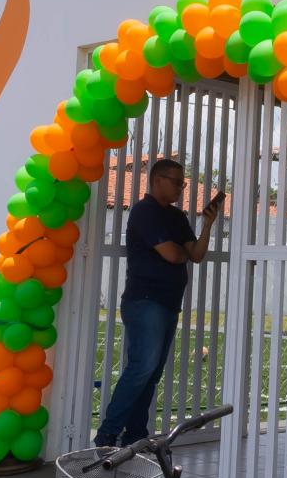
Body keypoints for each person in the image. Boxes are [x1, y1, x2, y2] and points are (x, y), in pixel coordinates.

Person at [94, 158, 220, 447]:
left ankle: (135, 436)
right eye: (176, 182)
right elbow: (174, 255)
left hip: (167, 303)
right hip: (145, 302)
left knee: (151, 373)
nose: (180, 188)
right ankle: (107, 435)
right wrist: (180, 250)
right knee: (141, 368)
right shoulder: (144, 211)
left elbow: (195, 254)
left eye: (182, 183)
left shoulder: (177, 218)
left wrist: (207, 226)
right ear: (157, 180)